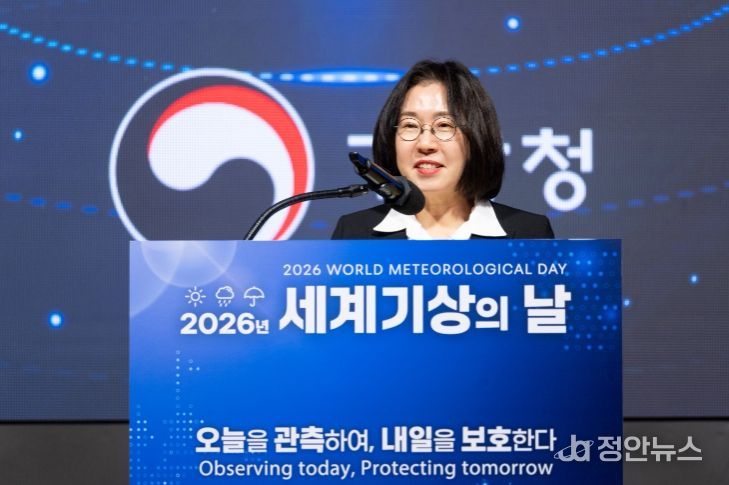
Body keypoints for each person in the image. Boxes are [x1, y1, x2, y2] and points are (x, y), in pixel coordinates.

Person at [331, 60, 554, 240]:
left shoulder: (528, 234)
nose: (425, 144)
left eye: (444, 125)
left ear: (477, 136)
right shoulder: (354, 234)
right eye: (410, 125)